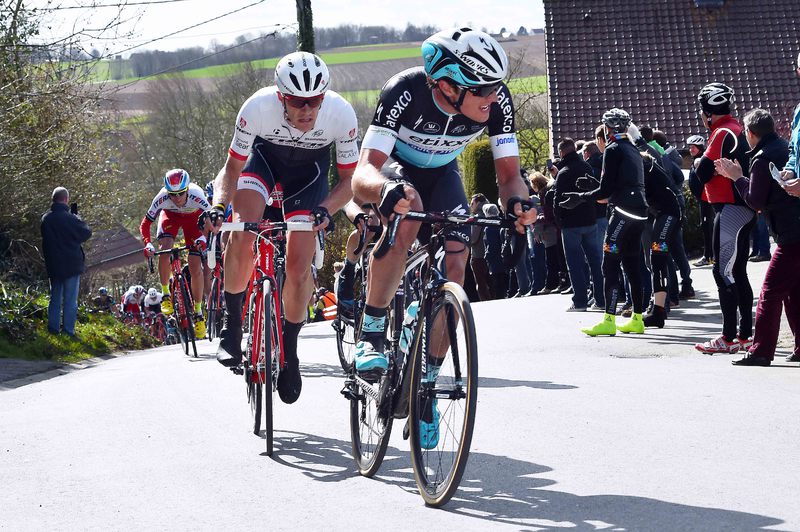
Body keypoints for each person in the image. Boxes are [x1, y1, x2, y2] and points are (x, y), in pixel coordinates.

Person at [350, 27, 537, 441]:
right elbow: (363, 172)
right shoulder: (404, 91)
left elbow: (509, 176)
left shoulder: (496, 102)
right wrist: (384, 190)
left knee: (457, 257)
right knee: (409, 207)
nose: (493, 96)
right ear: (449, 86)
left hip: (443, 174)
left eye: (496, 86)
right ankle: (372, 331)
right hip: (394, 170)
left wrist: (518, 204)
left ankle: (427, 385)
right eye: (482, 89)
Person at [206, 51, 358, 405]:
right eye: (297, 101)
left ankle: (289, 351)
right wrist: (218, 205)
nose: (307, 110)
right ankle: (232, 326)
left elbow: (349, 180)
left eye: (314, 101)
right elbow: (232, 169)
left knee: (298, 267)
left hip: (309, 176)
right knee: (242, 232)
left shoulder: (340, 114)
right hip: (262, 163)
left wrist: (326, 209)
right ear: (280, 97)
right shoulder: (257, 108)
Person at [714, 108, 799, 366]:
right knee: (793, 291)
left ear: (750, 134)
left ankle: (761, 350)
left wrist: (736, 177)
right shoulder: (784, 148)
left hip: (791, 233)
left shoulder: (761, 159)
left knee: (770, 292)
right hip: (792, 228)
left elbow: (755, 201)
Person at [560, 108, 648, 336]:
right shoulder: (633, 149)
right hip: (639, 213)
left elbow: (605, 192)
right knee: (632, 265)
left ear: (608, 128)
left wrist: (579, 197)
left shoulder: (613, 148)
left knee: (609, 265)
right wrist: (593, 188)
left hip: (622, 212)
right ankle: (637, 319)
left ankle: (609, 320)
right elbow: (618, 185)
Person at [691, 83, 755, 354]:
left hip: (730, 209)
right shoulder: (735, 128)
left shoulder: (721, 132)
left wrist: (700, 165)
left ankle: (729, 338)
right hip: (741, 208)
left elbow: (702, 173)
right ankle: (744, 335)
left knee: (722, 272)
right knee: (737, 271)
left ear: (708, 112)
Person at [140, 169, 209, 339]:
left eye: (181, 193)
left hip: (194, 220)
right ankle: (165, 294)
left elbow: (211, 220)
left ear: (187, 189)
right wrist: (147, 243)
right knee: (165, 248)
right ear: (167, 192)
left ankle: (198, 312)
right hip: (170, 218)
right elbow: (145, 224)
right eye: (172, 194)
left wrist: (203, 239)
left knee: (195, 267)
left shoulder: (197, 195)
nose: (177, 198)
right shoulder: (162, 197)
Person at [552, 137, 604, 312]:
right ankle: (600, 299)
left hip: (571, 224)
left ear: (561, 152)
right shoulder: (586, 167)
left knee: (575, 264)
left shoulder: (563, 172)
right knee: (595, 261)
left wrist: (559, 222)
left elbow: (557, 201)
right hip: (590, 220)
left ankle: (580, 301)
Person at [41, 186, 92, 338]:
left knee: (55, 298)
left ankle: (53, 329)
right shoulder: (71, 219)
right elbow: (86, 233)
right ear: (66, 199)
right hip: (71, 264)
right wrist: (77, 218)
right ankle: (68, 331)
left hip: (54, 265)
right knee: (70, 300)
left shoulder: (46, 219)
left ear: (53, 199)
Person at [686, 134, 715, 267]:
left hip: (706, 199)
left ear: (700, 148)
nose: (691, 150)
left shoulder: (701, 160)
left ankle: (709, 256)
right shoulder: (695, 160)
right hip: (702, 199)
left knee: (707, 227)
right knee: (706, 226)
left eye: (693, 147)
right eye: (690, 147)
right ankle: (710, 255)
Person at [469, 194, 493, 301]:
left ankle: (486, 303)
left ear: (478, 203)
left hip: (478, 255)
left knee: (481, 284)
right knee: (491, 282)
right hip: (490, 253)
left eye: (472, 203)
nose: (470, 206)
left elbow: (473, 238)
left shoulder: (478, 218)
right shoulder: (490, 213)